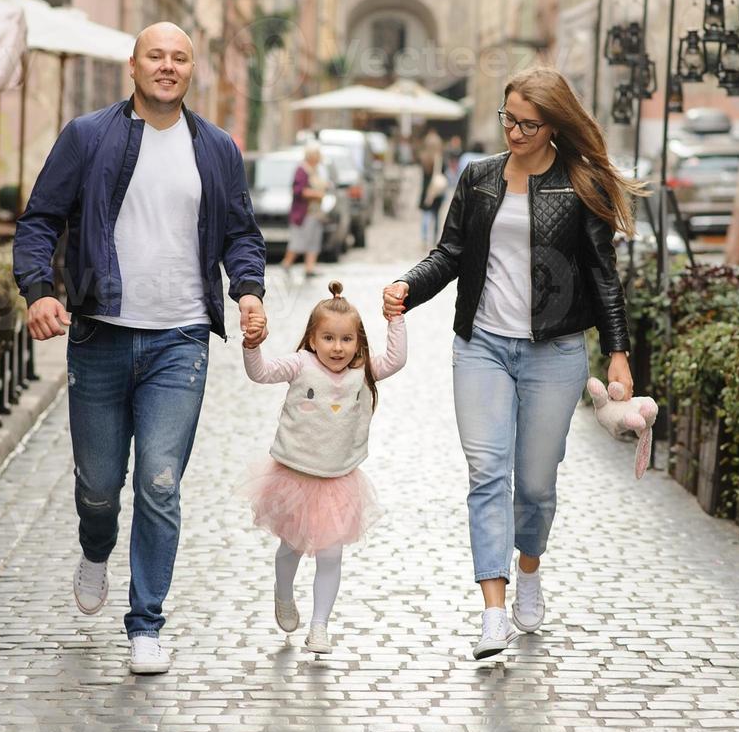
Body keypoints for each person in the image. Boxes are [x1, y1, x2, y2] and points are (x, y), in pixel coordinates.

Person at [13, 21, 268, 676]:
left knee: (160, 481)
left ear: (191, 71)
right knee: (99, 487)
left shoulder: (215, 149)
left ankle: (146, 623)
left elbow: (241, 233)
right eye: (155, 55)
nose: (167, 66)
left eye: (179, 57)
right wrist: (39, 290)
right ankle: (95, 548)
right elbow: (41, 219)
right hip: (100, 333)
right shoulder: (88, 136)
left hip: (179, 339)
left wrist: (247, 290)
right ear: (133, 65)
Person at [382, 66, 645, 660]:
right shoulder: (477, 179)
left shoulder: (579, 184)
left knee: (536, 484)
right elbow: (450, 251)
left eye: (529, 123)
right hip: (481, 346)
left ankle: (529, 568)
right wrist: (407, 286)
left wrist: (620, 354)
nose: (516, 132)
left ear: (554, 124)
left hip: (555, 352)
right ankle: (492, 613)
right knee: (486, 473)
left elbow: (605, 276)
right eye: (509, 119)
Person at [241, 281, 406, 654]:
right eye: (328, 338)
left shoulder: (364, 372)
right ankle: (283, 593)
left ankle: (319, 626)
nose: (337, 347)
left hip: (338, 481)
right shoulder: (300, 364)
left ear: (358, 343)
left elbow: (396, 360)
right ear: (313, 340)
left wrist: (395, 320)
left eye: (346, 340)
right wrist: (253, 346)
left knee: (331, 554)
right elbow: (261, 373)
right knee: (291, 548)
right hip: (294, 477)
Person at [280, 141, 328, 279]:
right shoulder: (302, 170)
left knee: (314, 240)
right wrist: (316, 194)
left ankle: (309, 267)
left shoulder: (317, 169)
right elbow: (298, 190)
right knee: (298, 240)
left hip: (315, 212)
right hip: (303, 213)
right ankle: (287, 263)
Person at [417, 129, 447, 245]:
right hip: (437, 190)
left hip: (426, 190)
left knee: (426, 214)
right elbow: (444, 174)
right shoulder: (440, 159)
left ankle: (424, 238)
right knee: (436, 215)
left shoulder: (423, 158)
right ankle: (434, 238)